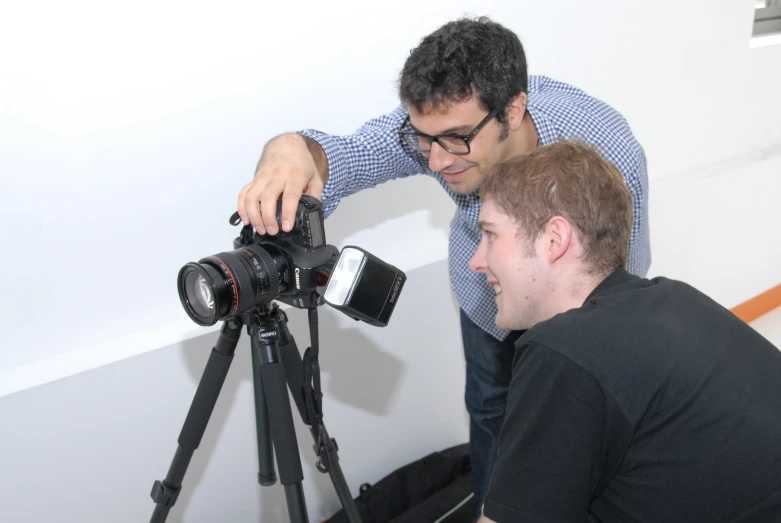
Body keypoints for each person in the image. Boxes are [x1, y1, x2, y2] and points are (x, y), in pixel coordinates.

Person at [236, 16, 651, 512]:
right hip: (485, 309)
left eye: (454, 140)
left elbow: (620, 280)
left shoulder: (607, 159)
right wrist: (288, 147)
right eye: (423, 140)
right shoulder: (441, 128)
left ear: (513, 110)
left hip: (578, 321)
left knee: (571, 449)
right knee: (489, 411)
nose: (434, 161)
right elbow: (349, 156)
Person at [469, 140, 781, 523]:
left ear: (553, 240)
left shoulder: (563, 351)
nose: (476, 261)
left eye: (490, 235)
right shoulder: (675, 297)